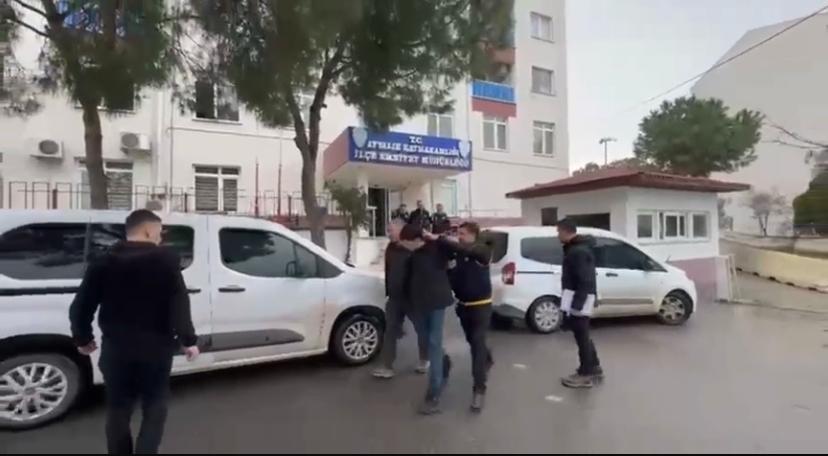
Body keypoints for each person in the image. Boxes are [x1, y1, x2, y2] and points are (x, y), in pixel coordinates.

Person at [69, 210, 200, 455]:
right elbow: (179, 304)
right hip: (156, 350)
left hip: (116, 350)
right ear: (148, 231)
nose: (160, 238)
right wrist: (188, 340)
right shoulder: (166, 261)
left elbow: (81, 305)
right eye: (159, 232)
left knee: (117, 410)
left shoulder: (103, 261)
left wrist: (83, 338)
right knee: (155, 407)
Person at [425, 221, 493, 413]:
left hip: (481, 307)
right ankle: (487, 358)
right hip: (463, 307)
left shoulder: (482, 251)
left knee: (477, 345)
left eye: (463, 234)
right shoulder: (459, 254)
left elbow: (469, 250)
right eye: (458, 233)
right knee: (474, 342)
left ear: (473, 235)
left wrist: (440, 238)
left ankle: (479, 390)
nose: (459, 237)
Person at [398, 223, 453, 415]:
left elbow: (457, 247)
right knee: (427, 341)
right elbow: (407, 280)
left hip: (436, 304)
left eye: (405, 241)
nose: (403, 245)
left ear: (416, 240)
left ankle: (433, 394)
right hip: (418, 305)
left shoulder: (437, 250)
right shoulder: (411, 256)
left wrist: (437, 237)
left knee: (433, 343)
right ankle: (443, 362)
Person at [372, 219, 430, 379]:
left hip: (413, 298)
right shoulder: (391, 247)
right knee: (390, 330)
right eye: (388, 230)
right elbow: (389, 270)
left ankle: (425, 359)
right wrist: (388, 290)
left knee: (422, 329)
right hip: (395, 297)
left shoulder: (415, 247)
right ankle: (387, 366)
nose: (388, 233)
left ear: (401, 230)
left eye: (391, 230)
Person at [557, 218, 603, 389]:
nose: (557, 235)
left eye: (558, 231)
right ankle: (594, 366)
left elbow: (585, 279)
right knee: (583, 334)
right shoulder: (575, 248)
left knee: (581, 336)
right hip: (577, 296)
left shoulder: (578, 251)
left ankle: (586, 374)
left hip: (579, 297)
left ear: (565, 231)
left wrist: (577, 304)